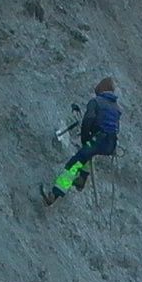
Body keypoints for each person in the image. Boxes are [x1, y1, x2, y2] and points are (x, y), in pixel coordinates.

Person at [43, 77, 122, 205]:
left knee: (74, 164)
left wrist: (85, 138)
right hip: (111, 144)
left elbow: (87, 121)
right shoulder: (117, 107)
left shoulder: (95, 102)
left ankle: (55, 194)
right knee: (87, 154)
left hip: (98, 140)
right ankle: (82, 178)